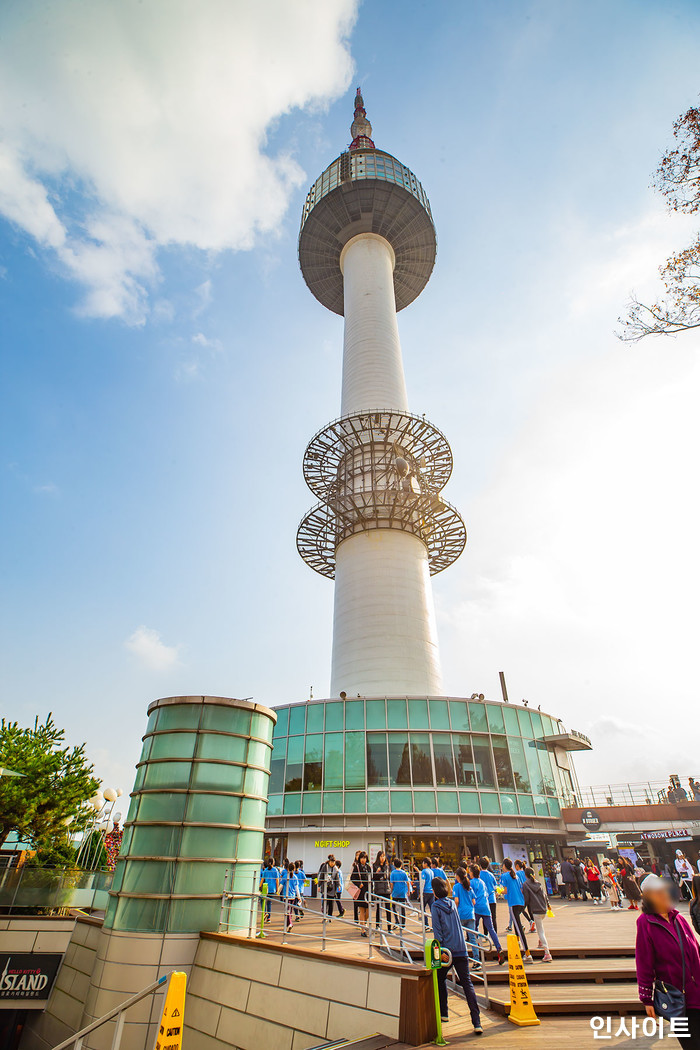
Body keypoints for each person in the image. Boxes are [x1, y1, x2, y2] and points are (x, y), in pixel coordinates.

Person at [635, 873, 700, 1047]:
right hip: (677, 997)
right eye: (657, 892)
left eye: (663, 890)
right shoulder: (645, 923)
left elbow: (695, 949)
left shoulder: (678, 918)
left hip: (697, 991)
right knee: (692, 1044)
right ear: (647, 896)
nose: (663, 894)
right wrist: (646, 998)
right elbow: (644, 962)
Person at [430, 877, 483, 1034]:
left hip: (446, 950)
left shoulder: (435, 907)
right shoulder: (452, 903)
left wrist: (439, 950)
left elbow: (437, 931)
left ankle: (444, 1013)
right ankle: (477, 1021)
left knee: (440, 979)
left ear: (434, 891)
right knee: (467, 984)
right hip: (461, 948)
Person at [469, 863, 505, 964]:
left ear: (472, 873)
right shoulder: (482, 882)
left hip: (476, 907)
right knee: (491, 928)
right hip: (486, 906)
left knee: (474, 929)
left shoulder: (471, 883)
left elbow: (470, 895)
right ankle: (498, 947)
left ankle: (477, 951)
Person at [500, 858, 533, 962]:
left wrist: (499, 891)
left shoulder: (504, 876)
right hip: (521, 901)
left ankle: (527, 954)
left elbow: (505, 890)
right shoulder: (516, 875)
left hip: (513, 902)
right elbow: (521, 888)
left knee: (518, 927)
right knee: (516, 923)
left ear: (504, 866)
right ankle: (518, 942)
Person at [522, 868, 553, 963]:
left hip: (535, 910)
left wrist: (522, 907)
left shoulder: (526, 884)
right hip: (543, 909)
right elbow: (545, 895)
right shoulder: (538, 883)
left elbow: (526, 899)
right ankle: (541, 942)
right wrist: (548, 905)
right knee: (540, 927)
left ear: (525, 875)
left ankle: (547, 952)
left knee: (541, 931)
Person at [453, 868, 479, 967]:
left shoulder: (456, 887)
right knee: (472, 938)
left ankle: (461, 958)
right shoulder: (469, 887)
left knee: (459, 937)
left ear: (458, 876)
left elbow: (456, 901)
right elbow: (474, 902)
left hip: (461, 914)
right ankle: (476, 960)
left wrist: (454, 909)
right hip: (470, 914)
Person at [351, 851, 371, 937]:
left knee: (368, 911)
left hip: (368, 890)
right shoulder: (357, 867)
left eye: (365, 858)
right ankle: (363, 930)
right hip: (361, 891)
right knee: (362, 910)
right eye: (362, 858)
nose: (363, 859)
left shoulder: (368, 867)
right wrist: (359, 884)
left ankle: (363, 923)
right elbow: (352, 877)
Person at [372, 851, 391, 931]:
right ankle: (377, 925)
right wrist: (377, 873)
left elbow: (386, 876)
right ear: (378, 857)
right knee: (378, 909)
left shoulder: (386, 866)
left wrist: (381, 875)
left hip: (386, 889)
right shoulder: (375, 866)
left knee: (388, 909)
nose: (382, 858)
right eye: (381, 856)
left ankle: (389, 927)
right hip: (378, 890)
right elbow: (374, 877)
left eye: (383, 856)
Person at [390, 857, 411, 930]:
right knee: (402, 909)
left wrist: (391, 891)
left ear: (394, 865)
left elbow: (392, 884)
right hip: (402, 893)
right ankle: (403, 924)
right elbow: (407, 882)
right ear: (401, 865)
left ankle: (397, 921)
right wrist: (408, 891)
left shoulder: (392, 873)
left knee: (394, 907)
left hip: (395, 893)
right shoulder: (404, 873)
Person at [479, 857, 498, 932]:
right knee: (493, 917)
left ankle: (486, 933)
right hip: (492, 898)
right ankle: (495, 933)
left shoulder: (479, 875)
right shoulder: (491, 875)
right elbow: (495, 887)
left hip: (483, 899)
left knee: (485, 917)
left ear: (480, 865)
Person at [279, 861, 298, 932]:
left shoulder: (285, 876)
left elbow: (281, 886)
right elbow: (297, 888)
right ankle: (289, 924)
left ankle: (290, 924)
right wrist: (298, 897)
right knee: (290, 911)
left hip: (286, 896)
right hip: (293, 896)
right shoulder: (295, 877)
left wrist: (278, 892)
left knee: (287, 911)